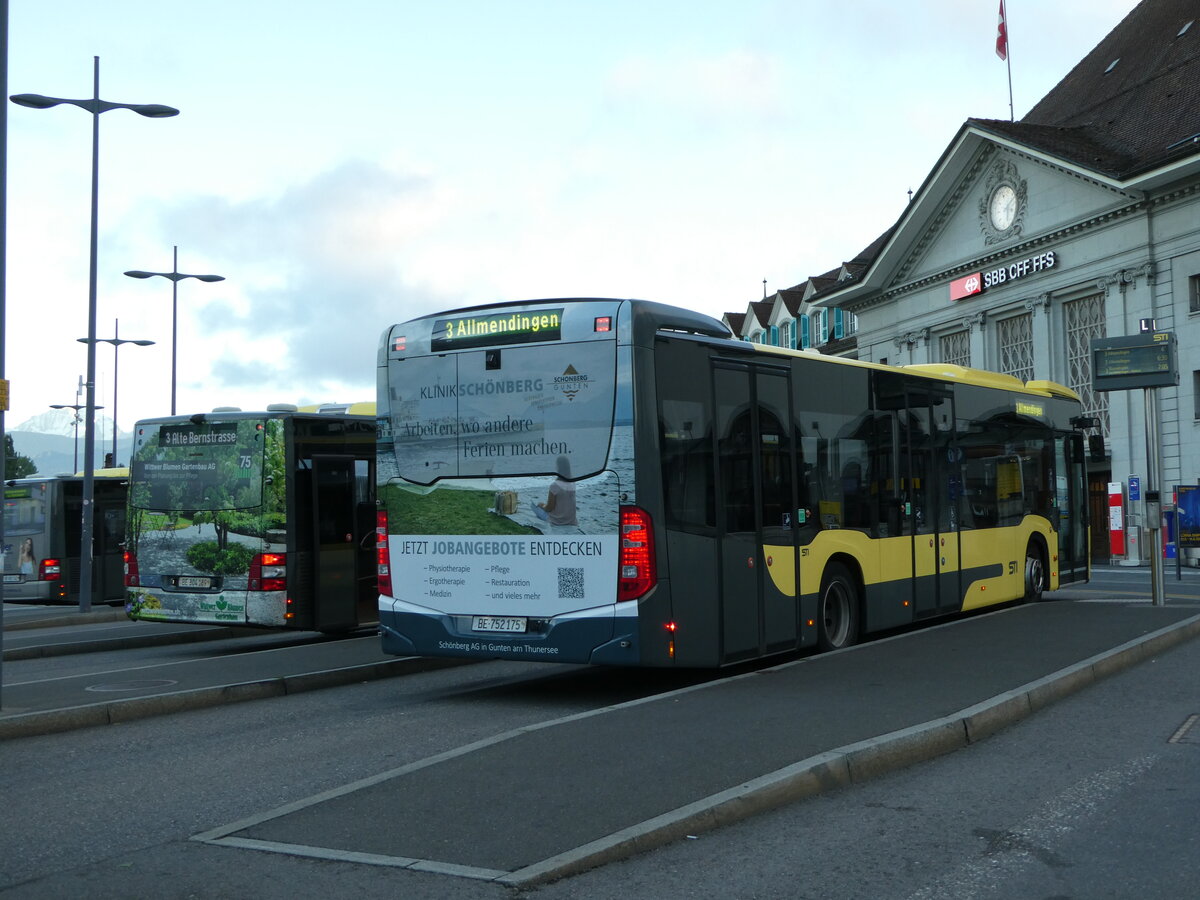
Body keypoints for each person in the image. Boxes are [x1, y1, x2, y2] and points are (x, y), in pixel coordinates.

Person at [532, 455, 577, 526]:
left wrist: (542, 505)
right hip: (571, 521)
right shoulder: (572, 483)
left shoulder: (555, 486)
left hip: (557, 521)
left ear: (558, 467)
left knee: (536, 508)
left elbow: (549, 508)